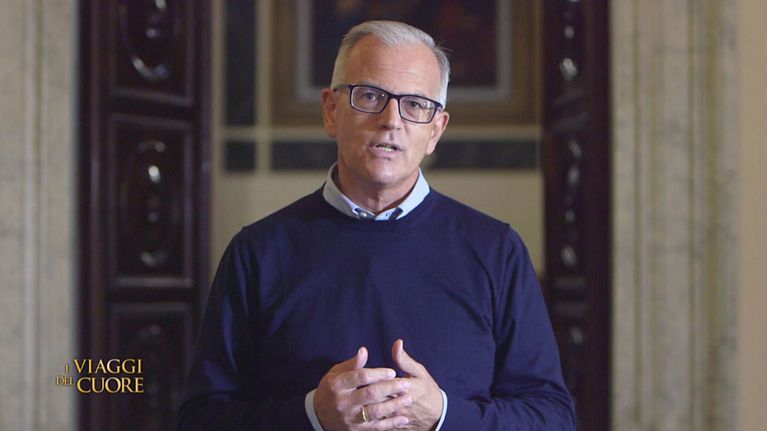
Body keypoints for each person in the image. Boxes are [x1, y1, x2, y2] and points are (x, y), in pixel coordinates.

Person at [177, 20, 575, 430]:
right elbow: (199, 420)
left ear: (436, 130)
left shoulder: (497, 251)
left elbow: (552, 419)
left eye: (415, 104)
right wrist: (311, 416)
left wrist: (443, 416)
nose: (391, 120)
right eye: (370, 96)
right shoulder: (257, 253)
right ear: (331, 111)